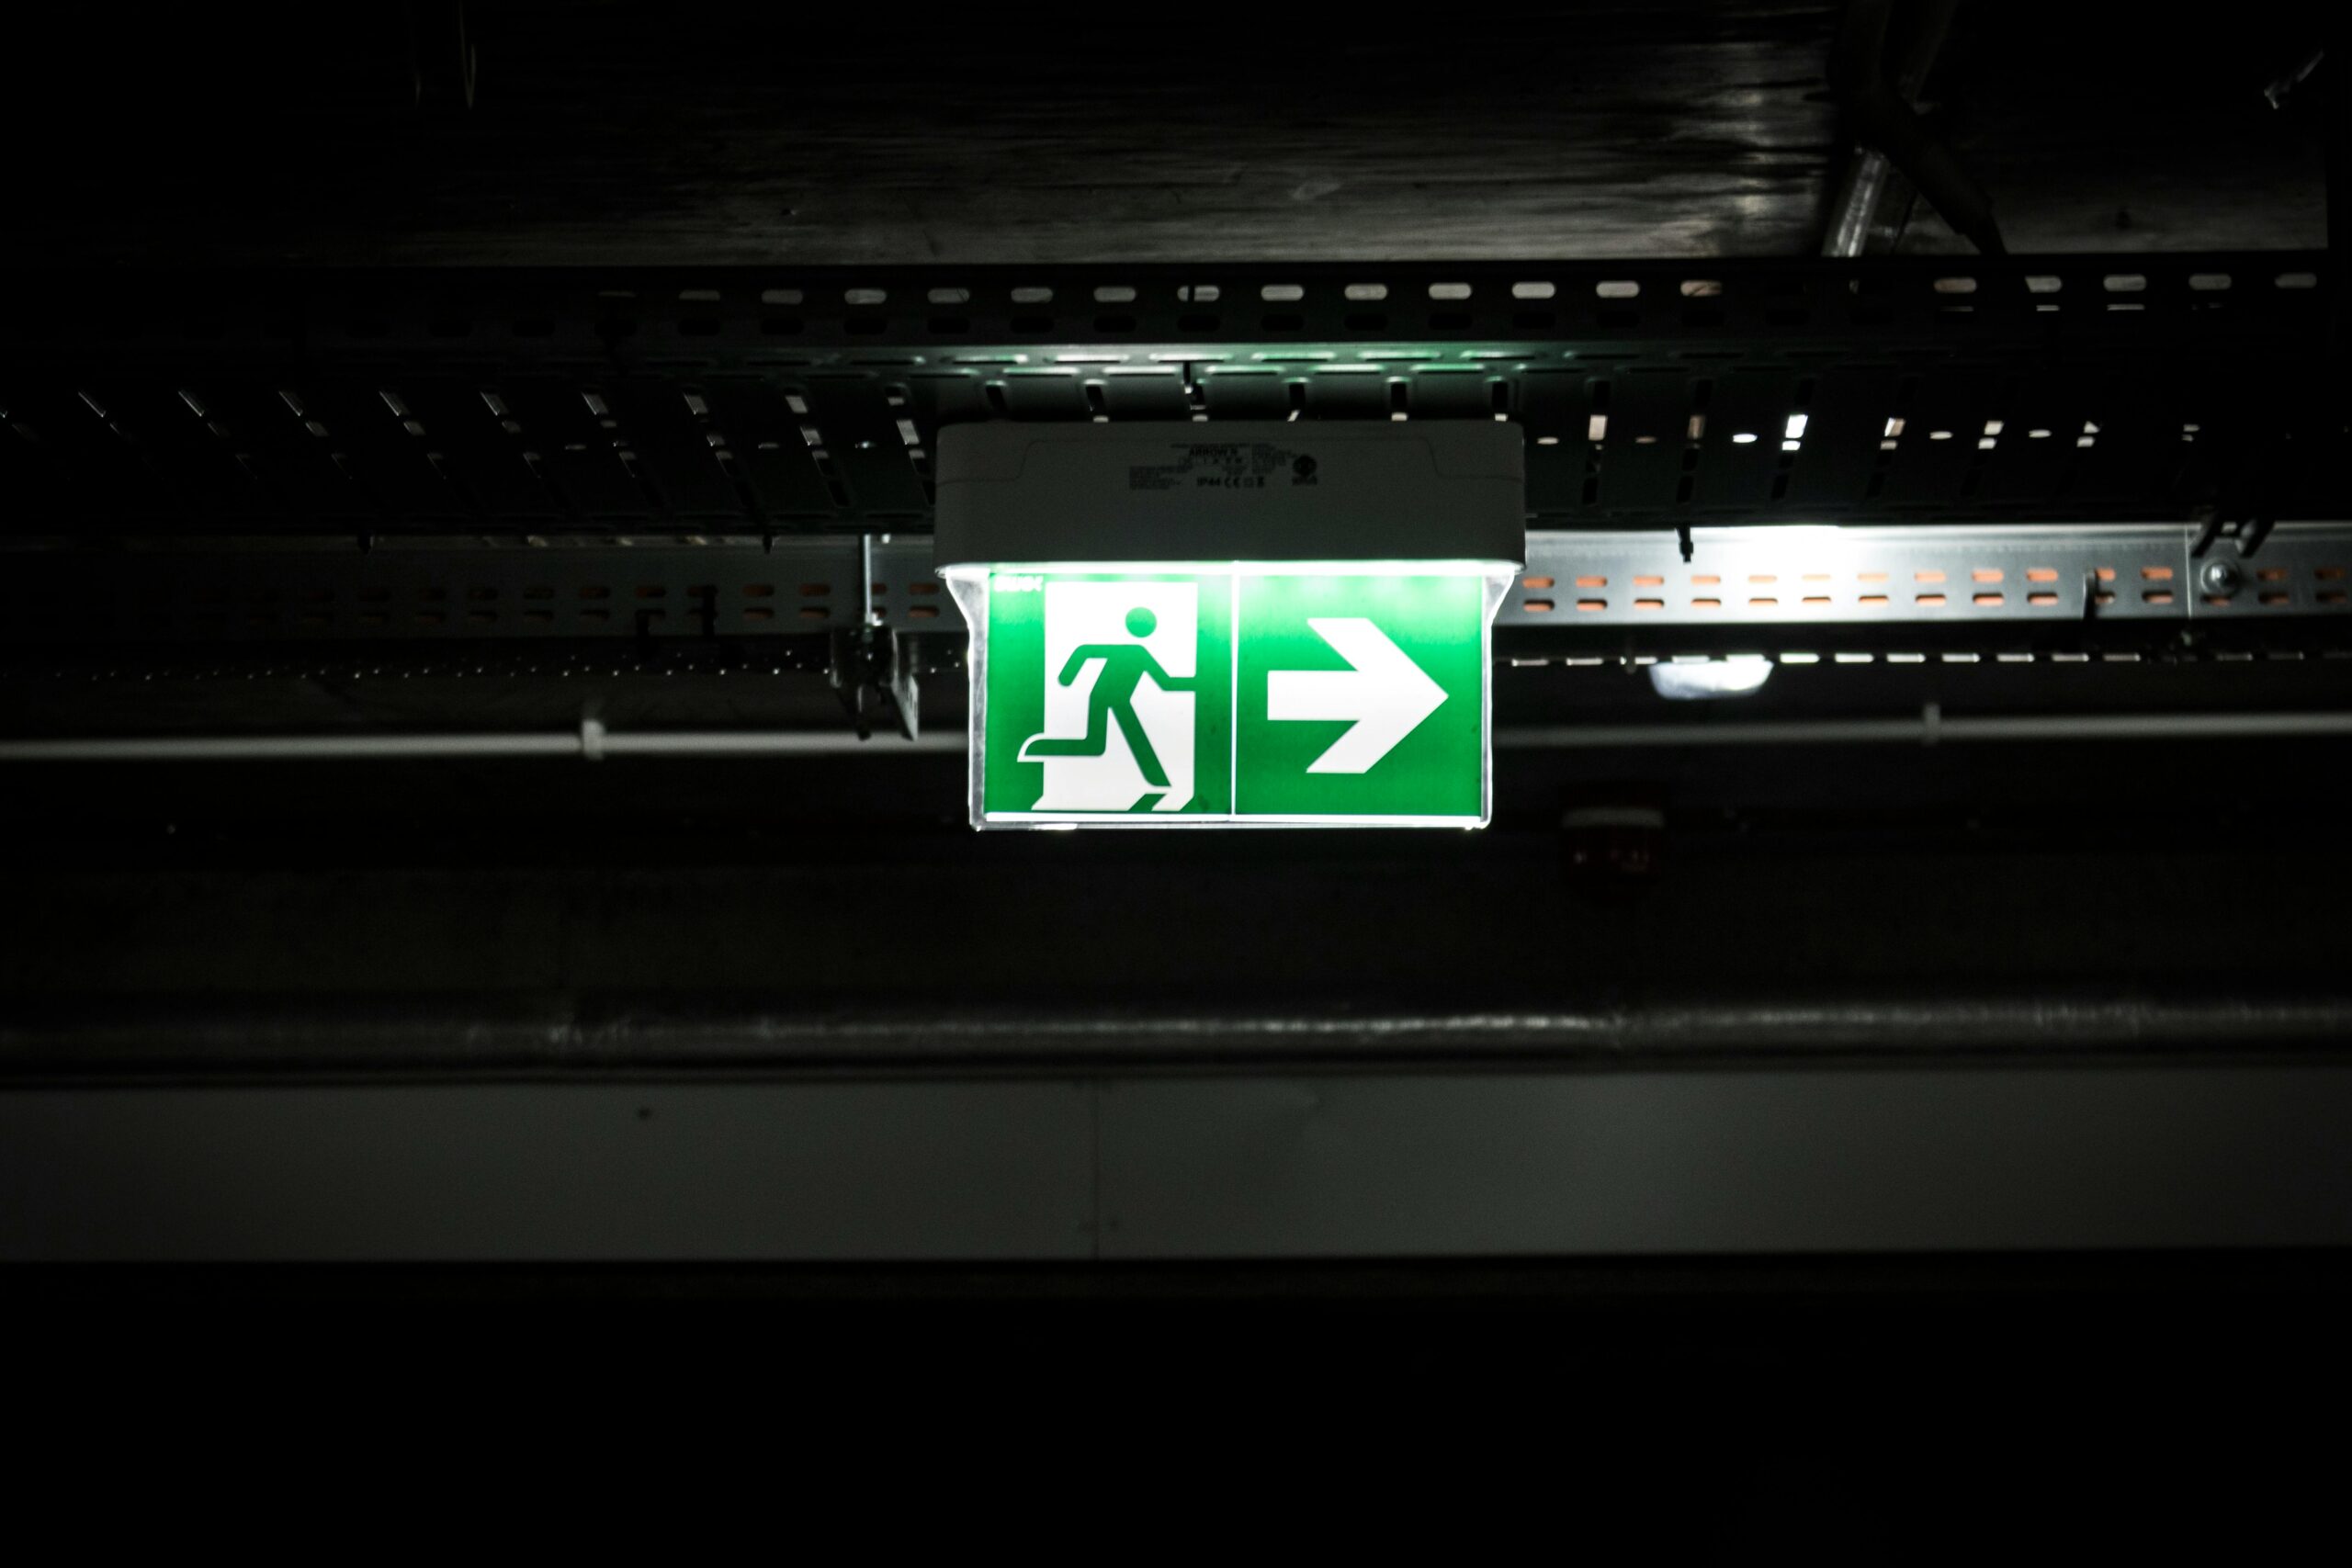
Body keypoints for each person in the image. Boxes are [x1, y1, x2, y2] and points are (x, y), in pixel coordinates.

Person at [1022, 606, 1192, 787]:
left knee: (1097, 743)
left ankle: (1157, 780)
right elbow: (1086, 651)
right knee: (1096, 744)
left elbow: (1164, 682)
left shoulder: (1140, 653)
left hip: (1118, 699)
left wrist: (1067, 677)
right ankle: (1157, 780)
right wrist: (1067, 677)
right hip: (1103, 697)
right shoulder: (1138, 653)